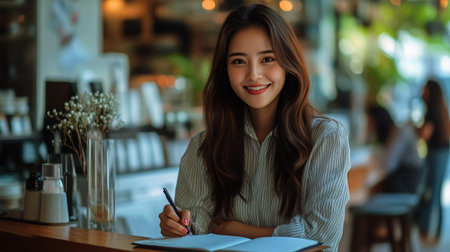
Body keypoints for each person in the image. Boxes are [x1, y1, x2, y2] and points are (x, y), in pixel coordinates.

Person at [158, 4, 351, 251]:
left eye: (267, 59)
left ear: (287, 63)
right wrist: (177, 225)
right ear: (225, 70)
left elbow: (322, 235)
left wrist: (234, 229)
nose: (253, 74)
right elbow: (195, 230)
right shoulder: (202, 147)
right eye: (238, 61)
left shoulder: (326, 138)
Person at [416, 79, 450, 240]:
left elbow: (424, 135)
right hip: (442, 152)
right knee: (436, 192)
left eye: (425, 88)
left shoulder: (432, 110)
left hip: (436, 153)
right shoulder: (441, 109)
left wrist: (414, 128)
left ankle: (427, 233)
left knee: (431, 192)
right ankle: (436, 234)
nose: (422, 92)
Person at [365, 105, 425, 194]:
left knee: (372, 189)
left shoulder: (398, 132)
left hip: (408, 183)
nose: (367, 125)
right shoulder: (394, 131)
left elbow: (388, 165)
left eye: (369, 122)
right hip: (405, 181)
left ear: (377, 121)